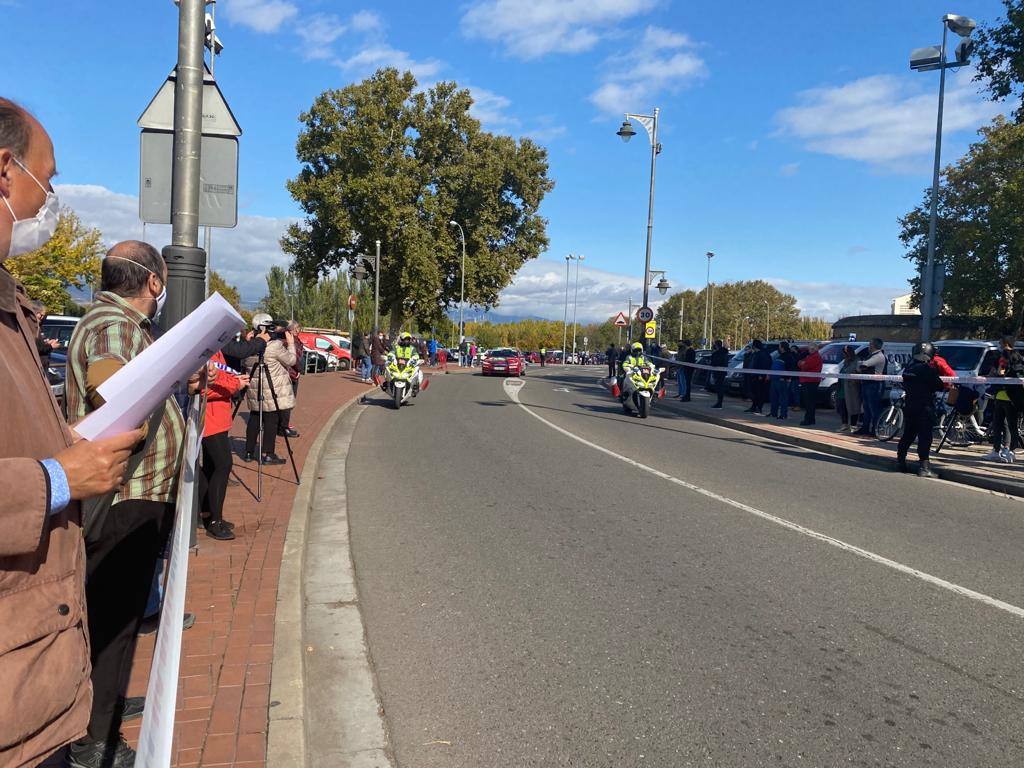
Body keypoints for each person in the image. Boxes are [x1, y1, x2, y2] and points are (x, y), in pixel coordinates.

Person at [0, 99, 145, 768]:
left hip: (31, 666)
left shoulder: (13, 305)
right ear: (6, 170)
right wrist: (60, 477)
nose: (48, 199)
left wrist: (68, 447)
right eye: (47, 179)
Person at [65, 240, 188, 768]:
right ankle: (94, 741)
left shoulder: (119, 325)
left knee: (115, 612)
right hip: (124, 495)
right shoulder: (115, 325)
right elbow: (110, 391)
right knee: (113, 619)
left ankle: (105, 705)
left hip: (129, 493)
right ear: (154, 284)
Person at [200, 350, 247, 540]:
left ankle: (208, 514)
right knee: (223, 465)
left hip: (218, 418)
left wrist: (234, 380)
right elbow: (202, 389)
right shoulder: (205, 353)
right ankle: (214, 521)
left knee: (212, 467)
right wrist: (236, 384)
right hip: (210, 420)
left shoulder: (216, 351)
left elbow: (224, 375)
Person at [242, 314, 296, 465]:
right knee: (271, 420)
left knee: (254, 418)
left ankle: (248, 452)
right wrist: (291, 344)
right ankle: (268, 454)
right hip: (271, 388)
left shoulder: (250, 346)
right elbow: (291, 360)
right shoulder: (274, 346)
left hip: (254, 389)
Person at [896, 342, 945, 477]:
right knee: (925, 437)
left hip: (910, 404)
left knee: (908, 434)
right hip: (924, 407)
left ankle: (900, 461)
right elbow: (939, 385)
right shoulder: (927, 369)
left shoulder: (908, 368)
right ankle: (924, 467)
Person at [983, 336, 1024, 463]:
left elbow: (1001, 372)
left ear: (1005, 343)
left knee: (1000, 424)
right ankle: (1009, 451)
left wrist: (994, 374)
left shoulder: (1004, 356)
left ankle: (999, 451)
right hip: (1013, 396)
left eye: (1001, 342)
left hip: (1003, 395)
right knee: (1010, 425)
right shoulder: (1019, 357)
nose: (999, 344)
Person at [854, 338, 886, 435]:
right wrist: (860, 366)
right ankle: (865, 427)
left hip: (874, 385)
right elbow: (860, 367)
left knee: (874, 408)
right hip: (867, 383)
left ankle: (875, 429)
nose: (869, 346)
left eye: (870, 344)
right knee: (866, 408)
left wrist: (861, 365)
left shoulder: (878, 356)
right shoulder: (871, 355)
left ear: (874, 345)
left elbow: (864, 365)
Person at [278, 320, 302, 439]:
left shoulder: (282, 340)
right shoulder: (291, 341)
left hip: (285, 373)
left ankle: (281, 425)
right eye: (296, 329)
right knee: (287, 401)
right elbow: (294, 359)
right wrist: (298, 371)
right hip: (290, 373)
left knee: (283, 401)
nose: (298, 331)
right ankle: (284, 427)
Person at [797, 342, 822, 426]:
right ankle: (811, 419)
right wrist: (802, 363)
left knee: (809, 402)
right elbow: (800, 364)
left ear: (814, 349)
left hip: (811, 381)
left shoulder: (815, 357)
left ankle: (808, 419)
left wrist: (802, 363)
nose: (809, 350)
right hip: (807, 380)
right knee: (808, 401)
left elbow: (805, 366)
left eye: (810, 349)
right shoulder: (810, 356)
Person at [837, 345, 862, 432]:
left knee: (853, 406)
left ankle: (853, 425)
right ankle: (844, 424)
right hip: (842, 388)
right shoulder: (845, 361)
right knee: (842, 406)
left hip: (852, 389)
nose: (843, 355)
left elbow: (858, 372)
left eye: (844, 353)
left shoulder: (857, 361)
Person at [745, 340, 772, 415]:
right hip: (754, 375)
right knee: (754, 392)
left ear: (754, 346)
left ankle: (759, 408)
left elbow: (765, 365)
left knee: (760, 393)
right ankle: (753, 407)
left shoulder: (763, 354)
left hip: (759, 377)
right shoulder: (756, 353)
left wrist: (761, 375)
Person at [769, 342, 791, 419]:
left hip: (782, 380)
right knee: (774, 397)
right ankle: (773, 413)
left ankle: (783, 414)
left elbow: (789, 368)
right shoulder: (780, 355)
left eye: (779, 346)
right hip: (775, 379)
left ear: (782, 347)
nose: (778, 348)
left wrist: (785, 377)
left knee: (783, 398)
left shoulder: (788, 356)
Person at [709, 339, 729, 408]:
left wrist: (713, 354)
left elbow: (714, 362)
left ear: (716, 345)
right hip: (721, 372)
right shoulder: (724, 352)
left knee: (719, 388)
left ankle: (719, 403)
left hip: (719, 373)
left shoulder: (719, 353)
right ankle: (719, 402)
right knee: (719, 387)